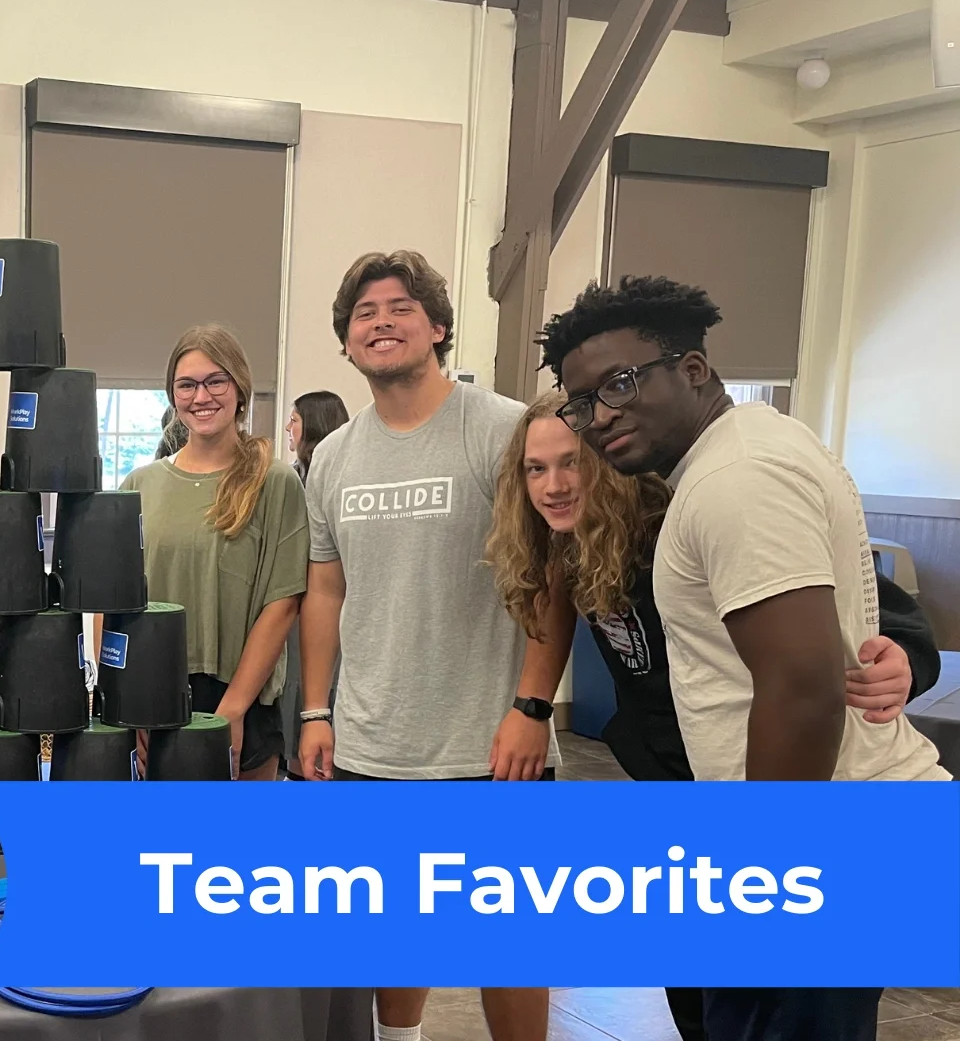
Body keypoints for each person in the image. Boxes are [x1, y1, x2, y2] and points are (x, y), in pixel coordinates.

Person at [542, 275, 948, 1041]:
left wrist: (763, 880)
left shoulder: (734, 479)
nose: (601, 416)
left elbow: (802, 685)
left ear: (692, 369)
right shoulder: (750, 449)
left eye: (620, 384)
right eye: (583, 401)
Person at [295, 251, 551, 1041]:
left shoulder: (505, 430)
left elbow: (552, 579)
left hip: (489, 743)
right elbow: (326, 591)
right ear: (346, 344)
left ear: (437, 326)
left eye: (401, 306)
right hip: (374, 738)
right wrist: (315, 709)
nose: (381, 320)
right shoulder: (334, 457)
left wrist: (532, 707)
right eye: (364, 312)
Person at [122, 326, 307, 780]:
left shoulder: (274, 482)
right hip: (152, 700)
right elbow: (114, 605)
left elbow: (282, 603)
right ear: (173, 395)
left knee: (236, 849)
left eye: (215, 381)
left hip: (241, 699)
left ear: (240, 388)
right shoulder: (139, 486)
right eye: (187, 384)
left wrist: (233, 711)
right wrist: (126, 700)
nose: (201, 396)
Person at [280, 389, 350, 777]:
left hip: (338, 605)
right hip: (296, 604)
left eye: (294, 419)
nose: (288, 427)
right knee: (299, 690)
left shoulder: (344, 473)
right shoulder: (290, 478)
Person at [288, 390, 349, 483]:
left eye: (293, 420)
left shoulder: (347, 477)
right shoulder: (290, 476)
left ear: (314, 426)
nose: (287, 427)